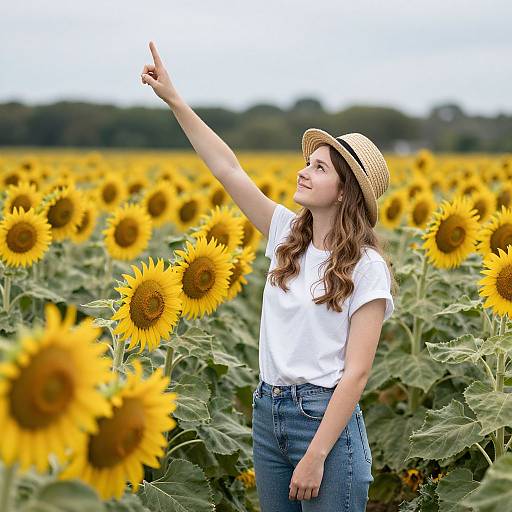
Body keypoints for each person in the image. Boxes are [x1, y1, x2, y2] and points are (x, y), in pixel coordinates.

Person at [141, 40, 396, 512]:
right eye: (308, 162)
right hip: (268, 410)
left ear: (344, 193)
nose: (304, 172)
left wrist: (317, 454)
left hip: (323, 421)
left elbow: (357, 373)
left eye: (319, 168)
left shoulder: (366, 267)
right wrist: (176, 100)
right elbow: (227, 168)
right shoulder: (285, 234)